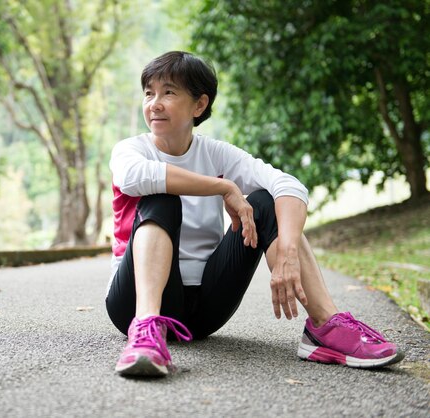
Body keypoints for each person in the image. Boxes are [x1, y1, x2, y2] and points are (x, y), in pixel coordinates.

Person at [106, 51, 404, 377]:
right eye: (149, 93)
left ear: (199, 105)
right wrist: (224, 188)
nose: (155, 103)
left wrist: (288, 250)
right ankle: (147, 330)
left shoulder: (216, 153)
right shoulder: (130, 150)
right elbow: (137, 178)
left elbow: (289, 186)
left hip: (204, 308)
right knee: (161, 199)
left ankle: (325, 327)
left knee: (264, 201)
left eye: (168, 92)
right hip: (133, 302)